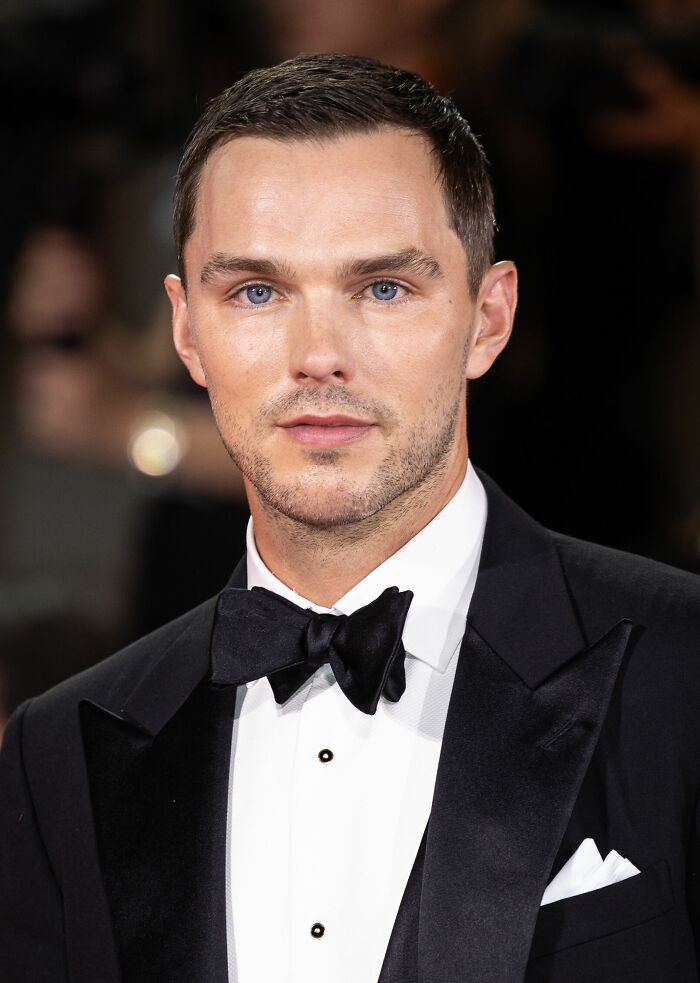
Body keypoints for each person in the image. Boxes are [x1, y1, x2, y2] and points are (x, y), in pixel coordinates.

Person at [1, 53, 699, 983]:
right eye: (257, 291)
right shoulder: (63, 750)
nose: (318, 354)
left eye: (382, 288)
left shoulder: (683, 672)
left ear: (488, 317)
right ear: (186, 331)